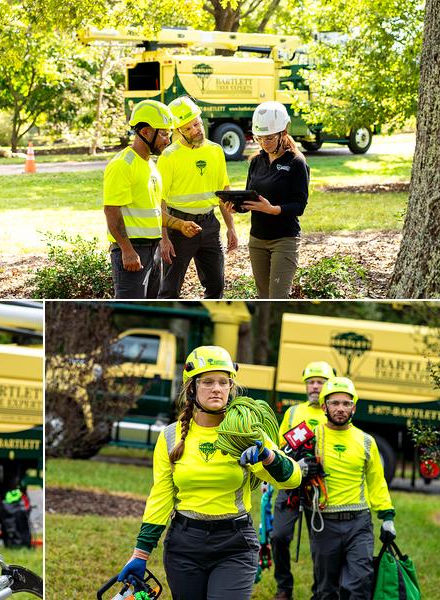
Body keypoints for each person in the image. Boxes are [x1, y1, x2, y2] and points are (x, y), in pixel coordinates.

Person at [116, 346, 301, 600]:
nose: (217, 388)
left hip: (234, 544)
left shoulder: (246, 433)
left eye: (224, 382)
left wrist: (267, 457)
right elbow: (160, 497)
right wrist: (140, 554)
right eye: (208, 382)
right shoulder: (170, 436)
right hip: (184, 544)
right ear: (191, 388)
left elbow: (293, 478)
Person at [311, 377, 396, 600]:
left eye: (346, 403)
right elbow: (286, 471)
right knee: (326, 589)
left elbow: (377, 482)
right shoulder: (311, 438)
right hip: (324, 524)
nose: (340, 408)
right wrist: (299, 468)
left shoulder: (367, 441)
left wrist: (387, 517)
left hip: (359, 523)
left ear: (354, 407)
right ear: (324, 406)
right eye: (335, 403)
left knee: (360, 583)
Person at [157, 96, 237, 299]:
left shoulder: (216, 151)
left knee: (217, 286)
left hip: (210, 225)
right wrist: (164, 239)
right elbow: (160, 201)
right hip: (179, 227)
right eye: (189, 127)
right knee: (169, 289)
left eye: (197, 123)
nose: (196, 130)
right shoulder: (169, 156)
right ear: (177, 131)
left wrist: (231, 228)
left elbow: (223, 194)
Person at [270, 361, 335, 600]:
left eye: (320, 382)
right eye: (311, 382)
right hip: (291, 484)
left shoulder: (335, 413)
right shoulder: (294, 412)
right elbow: (279, 449)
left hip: (320, 488)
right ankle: (284, 586)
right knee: (278, 536)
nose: (315, 387)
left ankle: (320, 590)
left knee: (321, 545)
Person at [236, 101, 310, 298]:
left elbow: (299, 205)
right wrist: (237, 206)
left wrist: (273, 209)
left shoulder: (296, 163)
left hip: (284, 240)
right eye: (259, 138)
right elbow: (249, 196)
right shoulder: (256, 162)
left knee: (277, 297)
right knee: (263, 297)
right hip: (257, 239)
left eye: (269, 138)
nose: (264, 143)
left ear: (283, 132)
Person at [103, 99, 173, 299]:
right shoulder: (122, 165)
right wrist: (127, 250)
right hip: (132, 251)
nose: (167, 140)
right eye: (163, 134)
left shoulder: (150, 164)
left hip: (153, 249)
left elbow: (156, 209)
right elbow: (111, 210)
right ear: (145, 132)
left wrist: (176, 229)